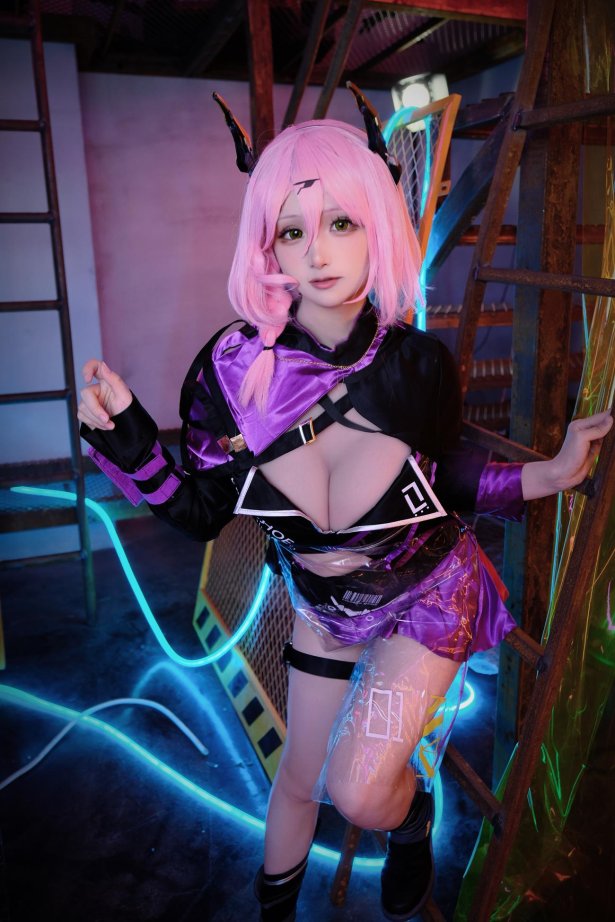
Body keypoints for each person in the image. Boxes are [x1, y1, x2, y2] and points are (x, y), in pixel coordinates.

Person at [77, 99, 612, 922]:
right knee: (297, 778)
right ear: (266, 245)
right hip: (320, 604)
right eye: (291, 231)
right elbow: (201, 510)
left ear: (376, 225)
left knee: (356, 791)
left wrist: (548, 474)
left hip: (425, 595)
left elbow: (445, 480)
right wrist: (127, 437)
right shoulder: (232, 369)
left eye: (340, 222)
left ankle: (411, 817)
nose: (317, 253)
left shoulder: (416, 364)